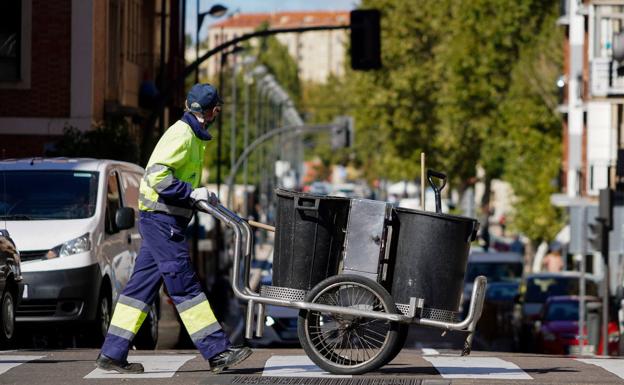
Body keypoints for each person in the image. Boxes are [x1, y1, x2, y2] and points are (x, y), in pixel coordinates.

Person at [96, 83, 252, 374]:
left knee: (139, 289)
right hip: (162, 220)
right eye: (217, 108)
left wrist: (200, 194)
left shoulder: (191, 134)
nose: (218, 113)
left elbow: (173, 178)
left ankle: (112, 354)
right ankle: (217, 352)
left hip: (162, 219)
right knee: (184, 284)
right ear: (210, 111)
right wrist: (191, 194)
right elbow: (157, 178)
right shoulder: (182, 134)